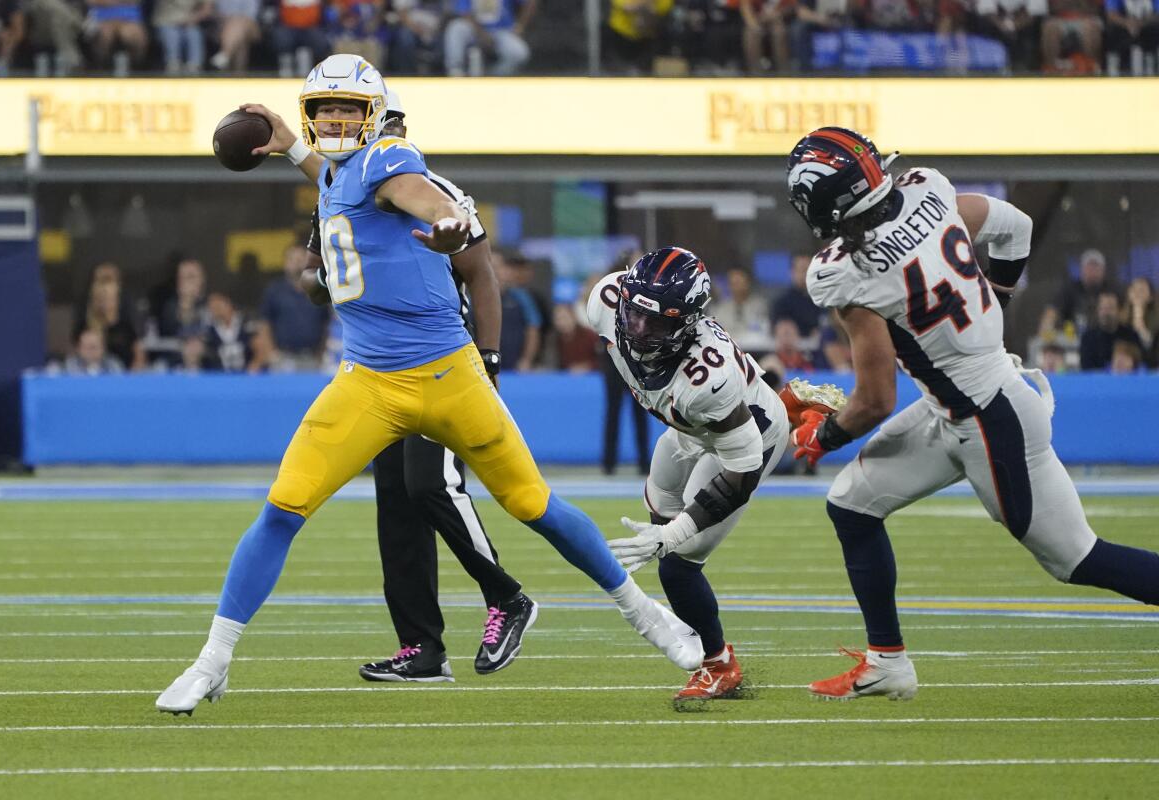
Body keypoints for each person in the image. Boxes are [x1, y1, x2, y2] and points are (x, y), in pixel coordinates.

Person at [156, 54, 701, 715]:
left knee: (533, 505)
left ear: (374, 117)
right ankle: (212, 660)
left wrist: (448, 224)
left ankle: (649, 617)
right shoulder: (337, 170)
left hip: (448, 375)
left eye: (347, 111)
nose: (333, 122)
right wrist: (288, 143)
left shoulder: (389, 160)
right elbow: (337, 179)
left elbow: (421, 198)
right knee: (282, 508)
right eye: (323, 111)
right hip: (367, 381)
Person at [783, 126, 1159, 701]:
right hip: (958, 405)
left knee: (1077, 559)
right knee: (852, 505)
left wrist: (824, 436)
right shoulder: (928, 189)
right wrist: (999, 297)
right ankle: (887, 662)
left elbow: (874, 400)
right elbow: (1017, 227)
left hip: (991, 421)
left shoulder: (848, 272)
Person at [301, 91, 537, 682]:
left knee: (429, 482)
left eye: (395, 125)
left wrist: (489, 359)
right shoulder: (340, 185)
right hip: (377, 365)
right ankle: (421, 647)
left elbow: (481, 272)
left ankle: (505, 595)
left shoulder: (432, 191)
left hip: (441, 359)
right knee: (395, 503)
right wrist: (325, 277)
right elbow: (319, 278)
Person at [589, 247, 844, 705]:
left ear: (687, 322)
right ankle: (782, 400)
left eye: (658, 322)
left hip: (746, 442)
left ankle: (719, 665)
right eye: (634, 312)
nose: (638, 329)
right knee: (657, 504)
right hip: (690, 427)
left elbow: (741, 473)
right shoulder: (607, 301)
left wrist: (678, 532)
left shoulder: (709, 378)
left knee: (677, 560)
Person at [1079, 290, 1142, 371]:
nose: (1106, 313)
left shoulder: (1131, 335)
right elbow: (1086, 369)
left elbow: (1140, 364)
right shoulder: (1088, 338)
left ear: (1119, 311)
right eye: (1102, 308)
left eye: (1110, 308)